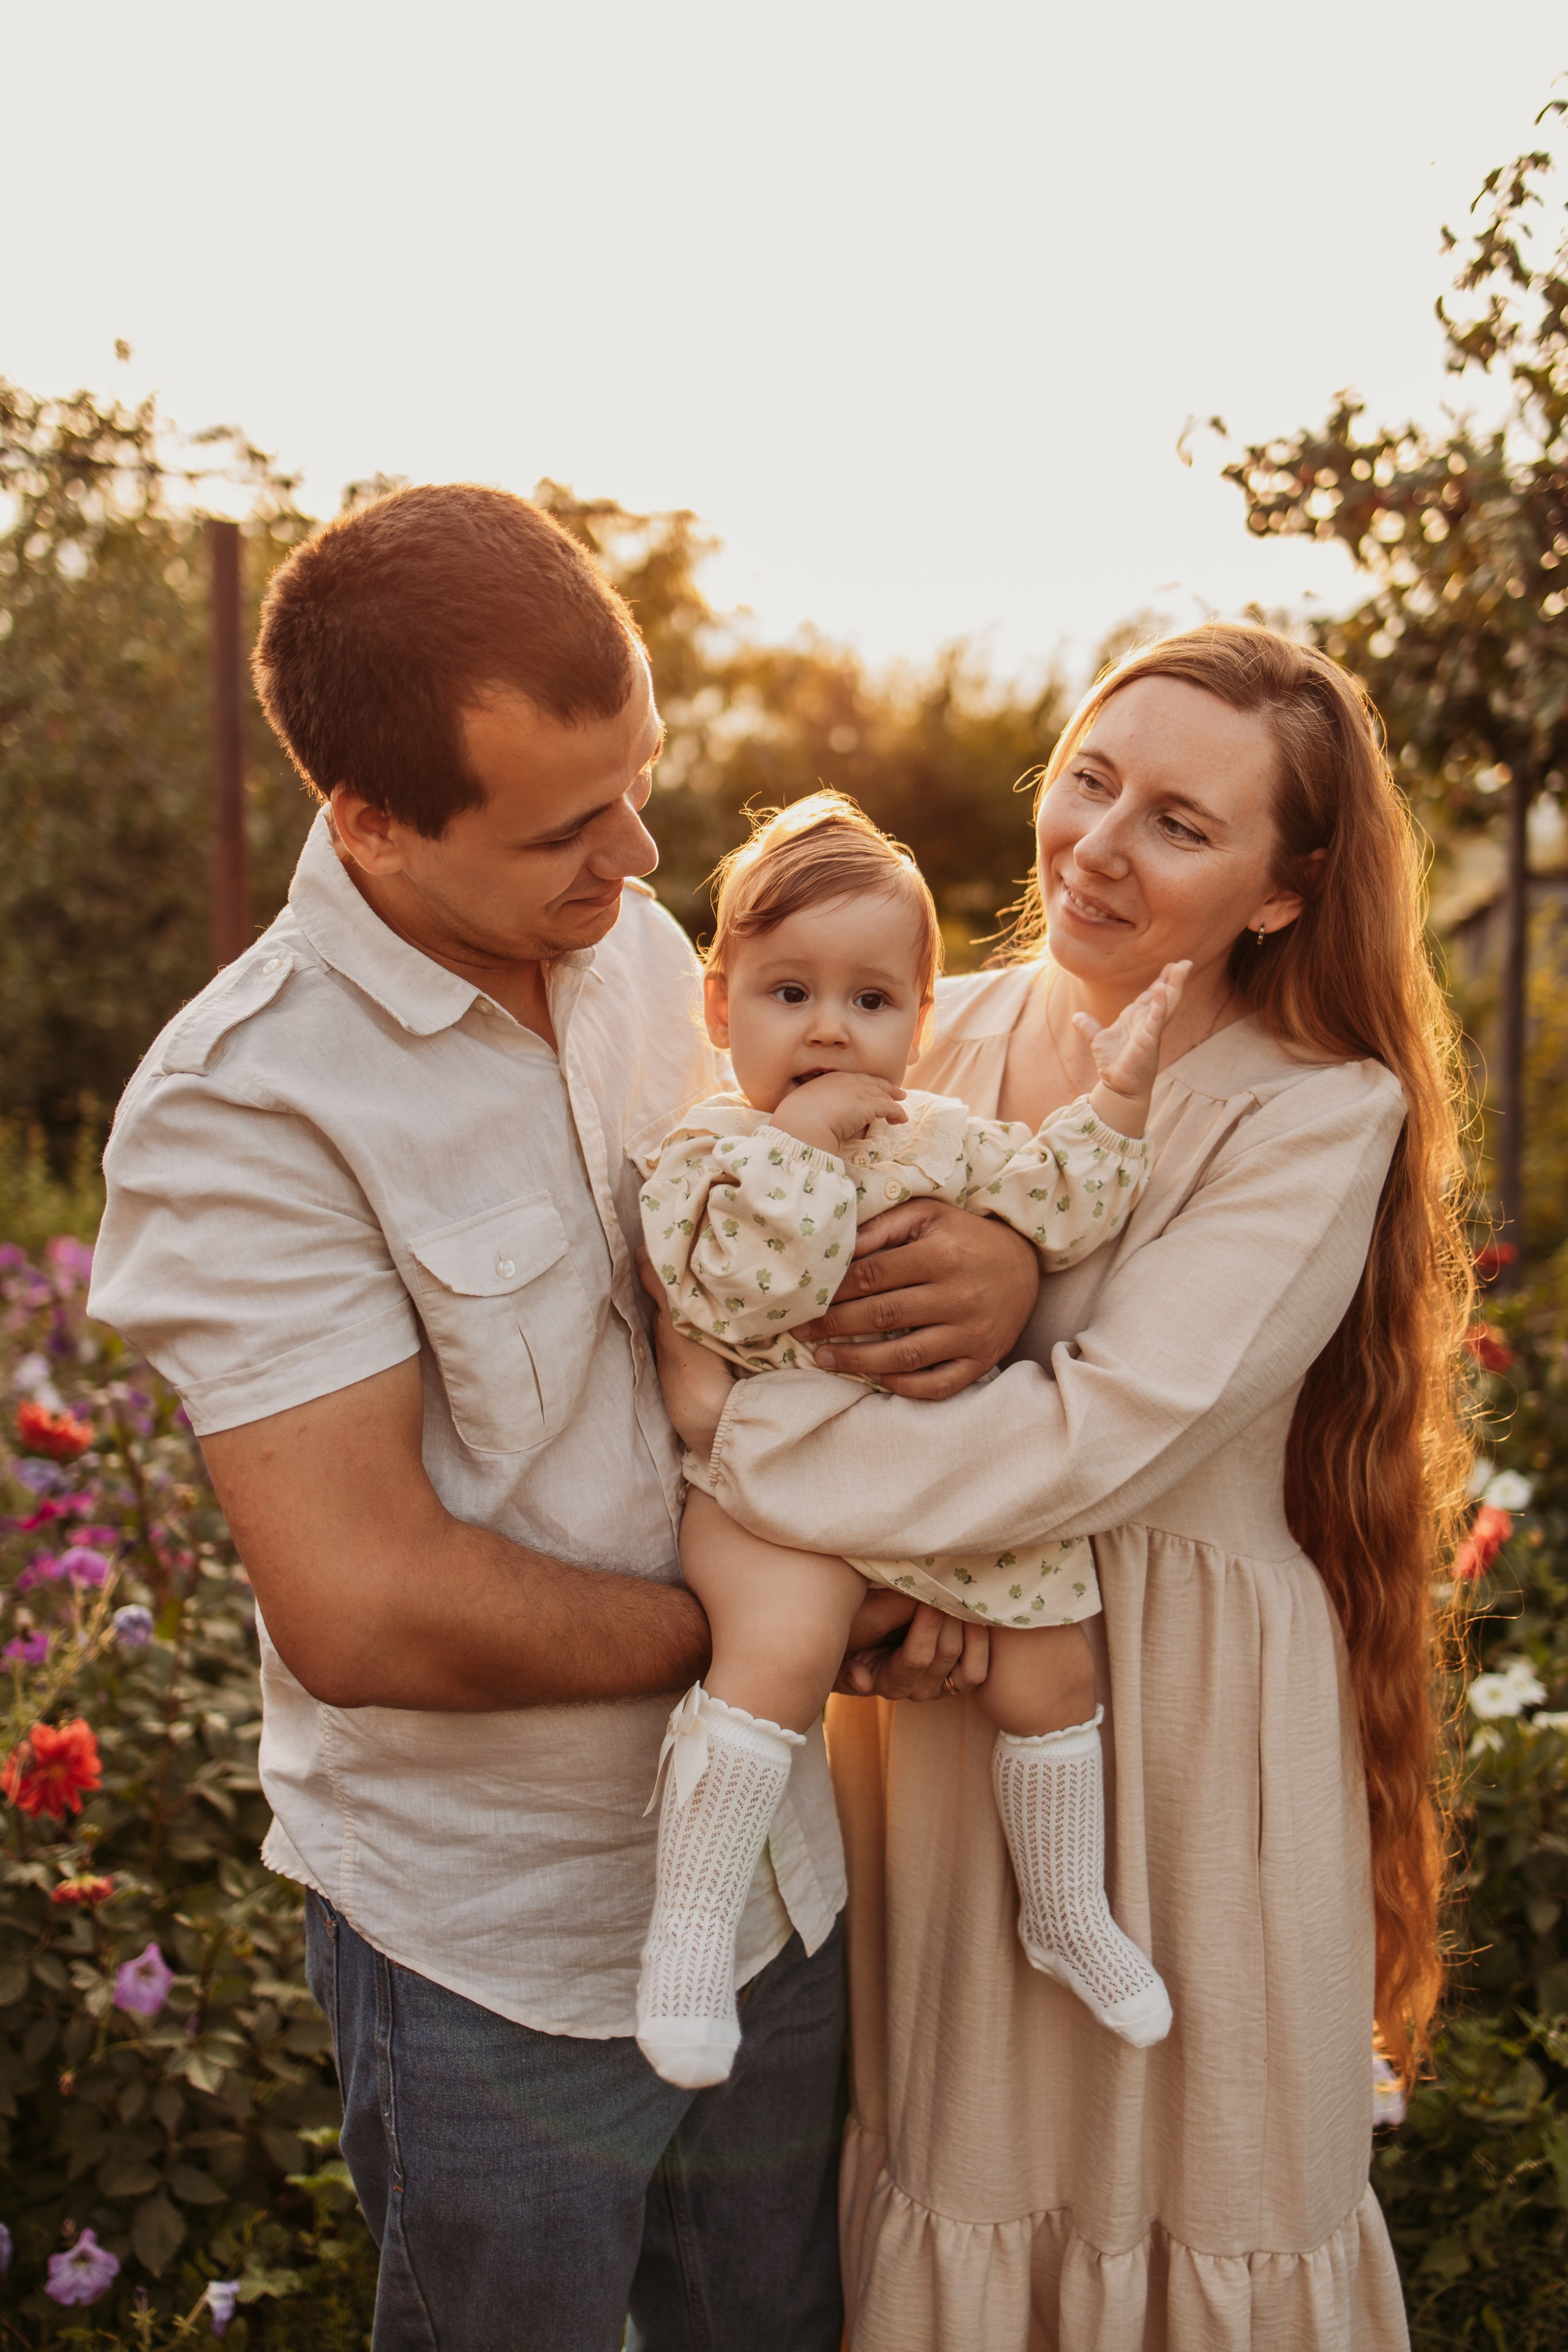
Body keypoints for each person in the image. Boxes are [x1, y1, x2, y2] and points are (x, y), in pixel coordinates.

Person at [84, 483, 1039, 2352]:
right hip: (498, 1956)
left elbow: (810, 1200)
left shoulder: (637, 949)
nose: (643, 850)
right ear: (370, 820)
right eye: (566, 826)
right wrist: (792, 1631)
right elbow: (366, 1610)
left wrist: (983, 1268)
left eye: (640, 784)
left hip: (775, 1889)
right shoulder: (245, 1114)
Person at [644, 623, 1471, 2351]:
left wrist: (756, 1463)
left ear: (1280, 891)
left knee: (1198, 2184)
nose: (1096, 844)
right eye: (1090, 779)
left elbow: (1099, 1431)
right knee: (970, 2161)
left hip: (1177, 1713)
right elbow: (754, 1270)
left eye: (1178, 823)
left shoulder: (1315, 1113)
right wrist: (871, 1604)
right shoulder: (924, 1025)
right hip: (961, 1705)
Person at [633, 790, 1188, 2088]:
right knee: (777, 1645)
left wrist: (1116, 1097)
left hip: (931, 1479)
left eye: (871, 1000)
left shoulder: (937, 1136)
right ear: (720, 1007)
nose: (830, 1027)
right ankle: (690, 1930)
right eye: (788, 994)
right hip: (770, 1485)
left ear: (919, 1020)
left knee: (1051, 1659)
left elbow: (1062, 1205)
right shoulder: (707, 1151)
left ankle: (1065, 1908)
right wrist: (799, 1147)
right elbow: (740, 1294)